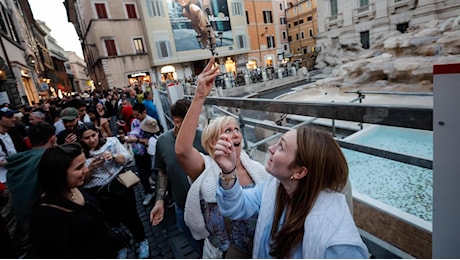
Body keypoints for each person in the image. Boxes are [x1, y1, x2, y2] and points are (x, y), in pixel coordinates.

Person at [214, 125, 369, 258]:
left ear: (299, 172)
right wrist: (228, 172)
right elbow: (236, 207)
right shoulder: (274, 187)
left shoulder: (338, 242)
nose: (271, 148)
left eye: (281, 146)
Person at [175, 57, 268, 258]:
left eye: (237, 129)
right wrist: (199, 97)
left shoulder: (257, 168)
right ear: (212, 141)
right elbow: (182, 150)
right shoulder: (204, 167)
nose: (236, 133)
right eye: (228, 130)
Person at [29, 143, 117, 258]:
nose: (86, 170)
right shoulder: (44, 217)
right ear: (59, 173)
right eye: (79, 167)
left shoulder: (74, 187)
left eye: (84, 164)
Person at [76, 122, 149, 259]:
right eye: (87, 138)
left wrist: (113, 156)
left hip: (120, 184)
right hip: (98, 192)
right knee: (110, 221)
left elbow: (127, 157)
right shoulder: (79, 154)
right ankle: (121, 245)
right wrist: (90, 168)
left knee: (130, 216)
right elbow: (81, 181)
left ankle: (141, 240)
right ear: (81, 139)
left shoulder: (111, 142)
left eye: (93, 135)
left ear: (98, 133)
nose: (92, 140)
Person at [150, 98, 206, 256]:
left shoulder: (204, 138)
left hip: (208, 208)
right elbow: (162, 171)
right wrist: (160, 200)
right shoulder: (163, 142)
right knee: (197, 246)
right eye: (192, 121)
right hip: (182, 209)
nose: (196, 125)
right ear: (177, 122)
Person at [6, 122, 57, 257]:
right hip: (45, 220)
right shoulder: (49, 158)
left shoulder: (17, 162)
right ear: (53, 139)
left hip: (23, 220)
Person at [125, 103, 155, 206]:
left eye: (137, 115)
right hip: (138, 152)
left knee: (153, 172)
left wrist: (137, 140)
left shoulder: (151, 122)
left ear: (144, 112)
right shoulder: (135, 122)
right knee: (142, 174)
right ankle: (148, 192)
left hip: (149, 153)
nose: (136, 117)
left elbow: (150, 140)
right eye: (134, 115)